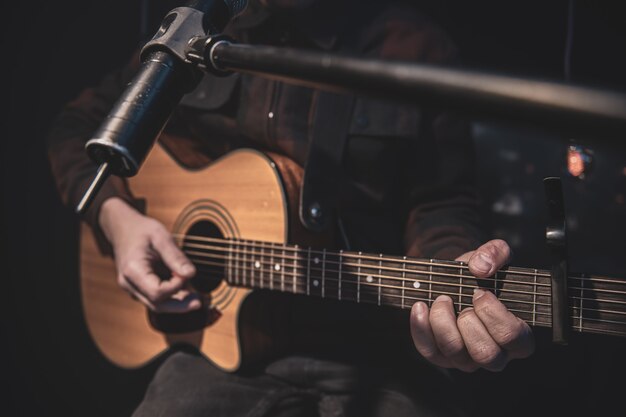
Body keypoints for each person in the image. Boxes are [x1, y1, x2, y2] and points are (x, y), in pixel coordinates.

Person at [47, 1, 534, 415]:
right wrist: (116, 218)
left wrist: (451, 276)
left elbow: (439, 202)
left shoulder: (415, 49)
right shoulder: (200, 32)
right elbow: (80, 128)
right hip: (218, 349)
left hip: (372, 348)